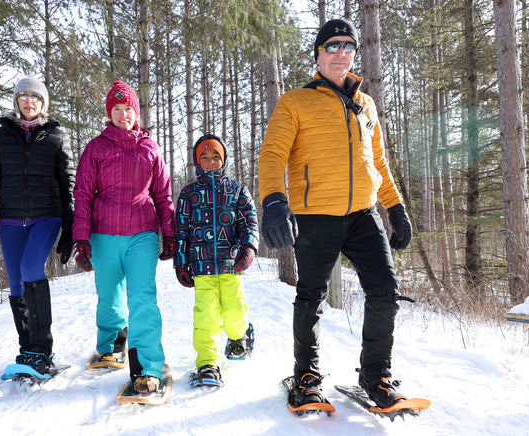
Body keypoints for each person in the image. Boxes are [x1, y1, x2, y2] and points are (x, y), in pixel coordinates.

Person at [257, 19, 414, 409]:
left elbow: (378, 162)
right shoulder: (295, 101)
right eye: (332, 46)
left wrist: (396, 208)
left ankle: (375, 375)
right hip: (315, 216)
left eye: (348, 46)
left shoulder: (365, 104)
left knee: (384, 290)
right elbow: (273, 154)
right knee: (310, 295)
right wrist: (274, 199)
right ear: (318, 54)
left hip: (363, 214)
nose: (341, 53)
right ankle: (306, 375)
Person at [72, 81, 175, 393]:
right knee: (108, 293)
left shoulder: (150, 148)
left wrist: (169, 233)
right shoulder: (96, 148)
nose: (122, 114)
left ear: (136, 112)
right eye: (116, 109)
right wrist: (81, 238)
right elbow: (83, 195)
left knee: (142, 298)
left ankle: (147, 367)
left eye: (128, 108)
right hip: (103, 232)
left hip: (141, 232)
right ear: (109, 113)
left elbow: (164, 195)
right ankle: (111, 343)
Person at [0, 77, 75, 375]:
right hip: (10, 219)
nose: (29, 101)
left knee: (32, 269)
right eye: (23, 96)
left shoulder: (56, 136)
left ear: (43, 103)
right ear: (16, 100)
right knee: (16, 282)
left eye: (36, 97)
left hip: (46, 216)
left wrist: (69, 225)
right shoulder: (1, 136)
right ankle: (27, 349)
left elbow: (68, 181)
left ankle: (43, 349)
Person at [174, 134, 259, 386]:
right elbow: (181, 232)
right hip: (201, 267)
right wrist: (181, 262)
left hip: (231, 264)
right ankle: (208, 363)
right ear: (197, 162)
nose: (210, 162)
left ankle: (239, 336)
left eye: (215, 157)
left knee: (233, 311)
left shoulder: (237, 191)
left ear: (223, 160)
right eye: (205, 158)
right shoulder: (189, 194)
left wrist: (248, 250)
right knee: (206, 317)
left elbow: (249, 223)